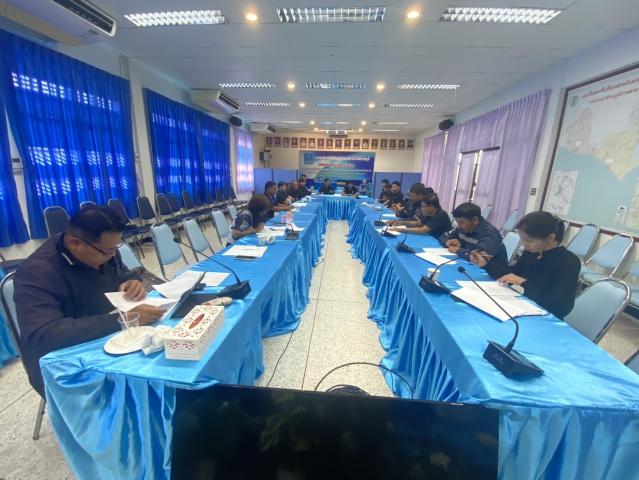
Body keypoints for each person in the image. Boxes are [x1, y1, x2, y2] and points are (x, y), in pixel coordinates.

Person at [13, 206, 167, 397]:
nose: (112, 255)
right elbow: (46, 335)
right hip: (67, 363)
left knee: (165, 356)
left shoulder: (103, 249)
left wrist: (132, 280)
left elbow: (122, 271)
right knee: (148, 387)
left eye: (115, 248)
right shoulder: (35, 274)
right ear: (75, 243)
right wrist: (121, 320)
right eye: (107, 251)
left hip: (110, 335)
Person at [470, 211, 581, 319]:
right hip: (523, 306)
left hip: (545, 317)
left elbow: (561, 306)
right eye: (522, 238)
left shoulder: (568, 262)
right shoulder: (532, 252)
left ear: (550, 238)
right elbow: (512, 274)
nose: (524, 244)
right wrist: (485, 265)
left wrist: (523, 282)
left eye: (529, 240)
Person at [439, 202, 507, 265]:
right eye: (457, 223)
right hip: (466, 263)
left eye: (461, 223)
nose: (459, 226)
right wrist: (447, 242)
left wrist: (457, 250)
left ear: (474, 220)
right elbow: (444, 236)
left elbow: (479, 258)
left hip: (490, 271)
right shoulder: (462, 228)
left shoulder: (490, 234)